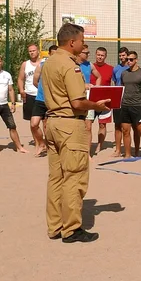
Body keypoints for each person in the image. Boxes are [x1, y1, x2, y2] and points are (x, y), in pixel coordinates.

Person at [40, 23, 111, 243]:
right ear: (72, 42)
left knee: (56, 178)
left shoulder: (50, 62)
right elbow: (77, 102)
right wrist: (98, 107)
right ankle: (71, 229)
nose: (83, 44)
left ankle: (55, 226)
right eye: (81, 40)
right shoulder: (71, 66)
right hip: (70, 125)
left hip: (52, 122)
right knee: (74, 177)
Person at [116, 51, 141, 160]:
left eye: (131, 59)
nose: (129, 61)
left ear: (136, 60)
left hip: (138, 106)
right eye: (127, 59)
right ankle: (128, 154)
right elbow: (122, 89)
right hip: (125, 105)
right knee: (125, 130)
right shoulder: (124, 73)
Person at [31, 44, 57, 158]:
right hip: (41, 99)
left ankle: (51, 147)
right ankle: (41, 143)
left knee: (49, 126)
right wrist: (43, 91)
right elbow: (35, 82)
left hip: (53, 101)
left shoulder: (60, 67)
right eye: (53, 54)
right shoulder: (41, 66)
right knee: (34, 124)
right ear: (49, 54)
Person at [88, 47, 114, 156]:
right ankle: (87, 147)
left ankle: (100, 145)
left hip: (105, 101)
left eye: (102, 55)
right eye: (98, 54)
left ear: (105, 56)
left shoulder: (111, 69)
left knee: (102, 125)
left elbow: (115, 83)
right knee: (87, 125)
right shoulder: (89, 67)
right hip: (91, 100)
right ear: (95, 54)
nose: (100, 57)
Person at [17, 44, 43, 149]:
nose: (32, 52)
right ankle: (37, 142)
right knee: (33, 122)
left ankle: (47, 143)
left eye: (33, 50)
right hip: (29, 95)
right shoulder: (25, 64)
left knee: (45, 121)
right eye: (30, 51)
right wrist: (22, 90)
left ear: (38, 51)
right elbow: (20, 79)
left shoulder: (43, 63)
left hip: (41, 95)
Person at [110, 48, 129, 157]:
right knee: (117, 125)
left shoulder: (131, 68)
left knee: (128, 127)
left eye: (123, 55)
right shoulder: (116, 68)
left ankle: (131, 150)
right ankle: (118, 149)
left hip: (128, 99)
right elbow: (114, 82)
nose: (122, 57)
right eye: (120, 56)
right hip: (118, 98)